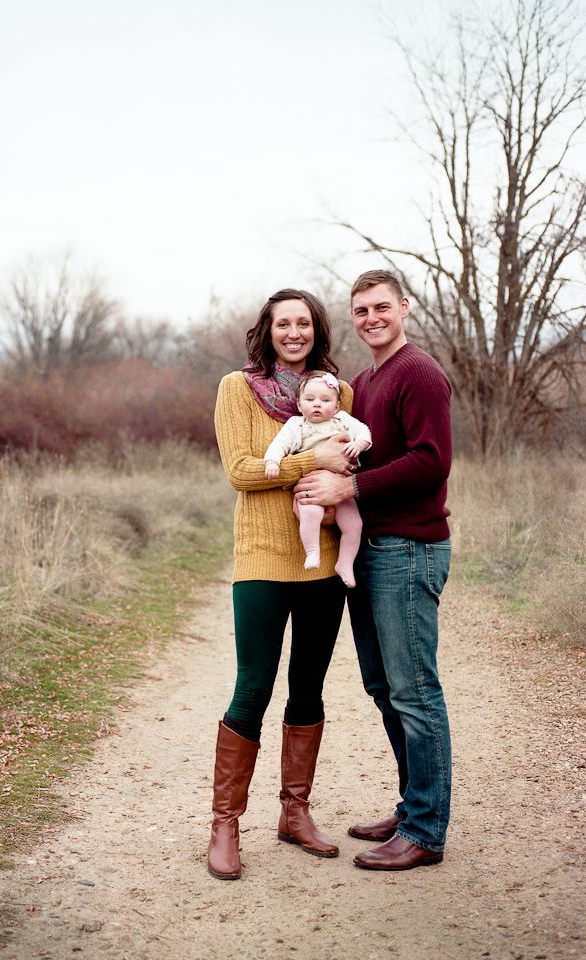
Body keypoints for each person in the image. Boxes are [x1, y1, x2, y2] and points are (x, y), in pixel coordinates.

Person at [294, 269, 453, 871]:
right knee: (385, 689)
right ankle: (415, 804)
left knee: (415, 692)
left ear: (405, 308)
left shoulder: (420, 373)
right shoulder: (360, 381)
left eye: (381, 307)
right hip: (371, 550)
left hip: (409, 547)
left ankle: (426, 831)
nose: (371, 319)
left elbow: (431, 463)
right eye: (360, 311)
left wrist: (350, 482)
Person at [209, 288, 355, 880]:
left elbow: (355, 461)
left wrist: (344, 473)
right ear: (267, 332)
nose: (293, 333)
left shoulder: (339, 393)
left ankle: (295, 812)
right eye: (282, 324)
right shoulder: (235, 388)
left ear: (316, 331)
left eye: (303, 323)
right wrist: (313, 463)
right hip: (263, 562)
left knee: (309, 685)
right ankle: (225, 823)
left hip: (321, 564)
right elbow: (242, 471)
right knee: (253, 687)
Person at [263, 370, 372, 587]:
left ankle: (345, 563)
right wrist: (272, 462)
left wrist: (358, 444)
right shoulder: (297, 424)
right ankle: (312, 552)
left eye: (325, 400)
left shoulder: (343, 420)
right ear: (299, 403)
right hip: (311, 484)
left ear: (337, 406)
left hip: (341, 484)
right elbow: (279, 445)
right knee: (310, 513)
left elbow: (365, 432)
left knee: (354, 524)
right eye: (310, 399)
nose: (317, 405)